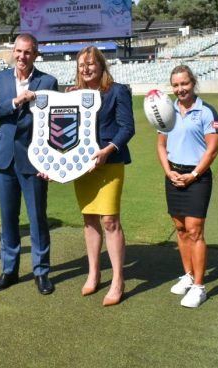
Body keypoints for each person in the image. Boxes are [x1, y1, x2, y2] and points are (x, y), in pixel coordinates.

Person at [0, 33, 59, 295]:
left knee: (37, 218)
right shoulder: (0, 79)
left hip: (35, 159)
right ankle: (9, 270)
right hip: (4, 157)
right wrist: (15, 101)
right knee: (8, 219)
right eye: (18, 51)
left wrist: (50, 161)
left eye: (27, 52)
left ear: (35, 54)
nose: (22, 56)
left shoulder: (48, 81)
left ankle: (41, 272)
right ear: (12, 53)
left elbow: (54, 125)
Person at [69, 46, 135, 306]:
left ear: (101, 66)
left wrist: (108, 150)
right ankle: (94, 273)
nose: (86, 69)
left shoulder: (117, 91)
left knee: (109, 220)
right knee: (89, 219)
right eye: (81, 65)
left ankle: (118, 280)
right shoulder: (74, 94)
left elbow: (127, 127)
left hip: (110, 162)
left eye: (91, 64)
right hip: (83, 166)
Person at [157, 65, 218, 308]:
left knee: (195, 230)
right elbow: (162, 146)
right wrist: (168, 171)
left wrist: (193, 175)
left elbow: (212, 150)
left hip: (197, 176)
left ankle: (199, 287)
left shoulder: (207, 112)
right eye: (175, 85)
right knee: (180, 228)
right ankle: (188, 275)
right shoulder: (168, 111)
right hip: (173, 174)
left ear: (193, 83)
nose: (180, 89)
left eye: (184, 84)